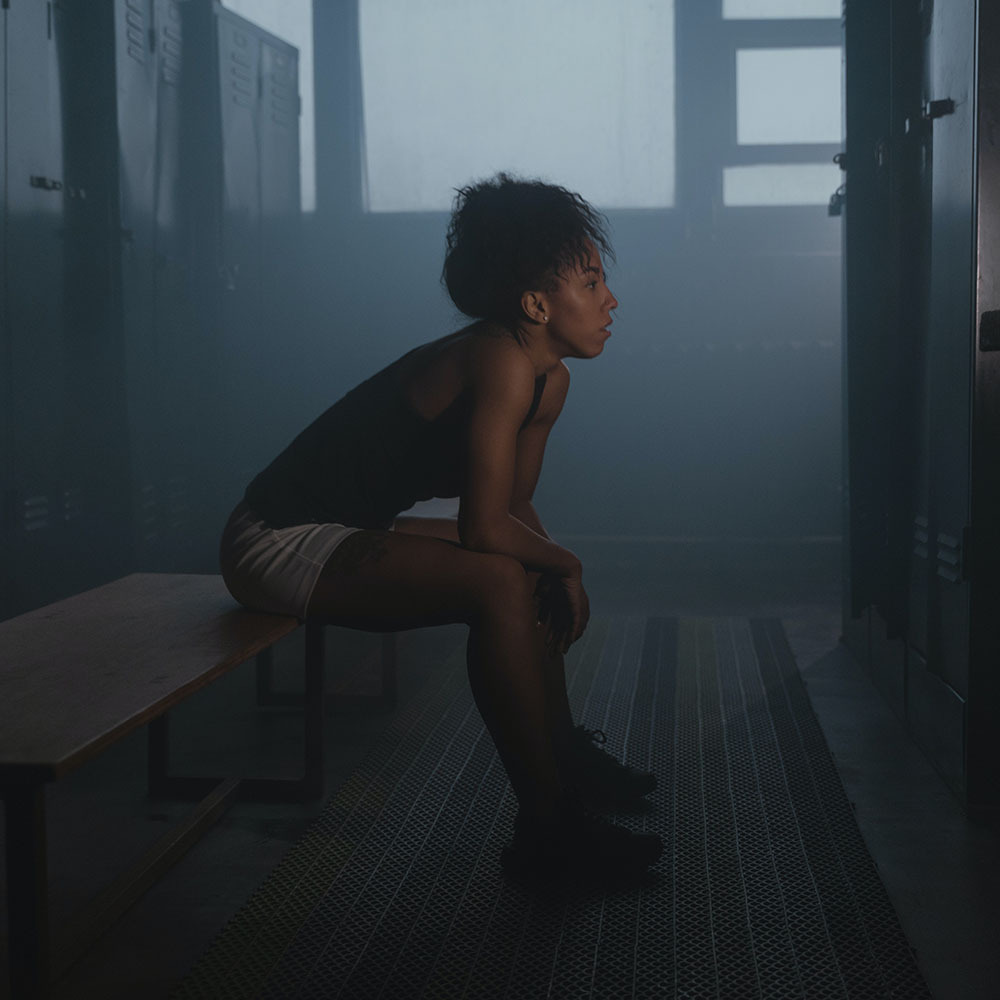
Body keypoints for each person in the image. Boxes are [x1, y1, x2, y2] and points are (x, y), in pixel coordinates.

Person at [220, 173, 662, 882]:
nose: (610, 300)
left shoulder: (549, 377)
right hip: (276, 538)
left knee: (523, 570)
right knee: (499, 579)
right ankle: (547, 830)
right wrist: (567, 564)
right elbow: (485, 530)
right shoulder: (499, 360)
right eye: (591, 282)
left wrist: (549, 563)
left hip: (351, 525)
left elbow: (512, 508)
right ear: (536, 303)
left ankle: (564, 760)